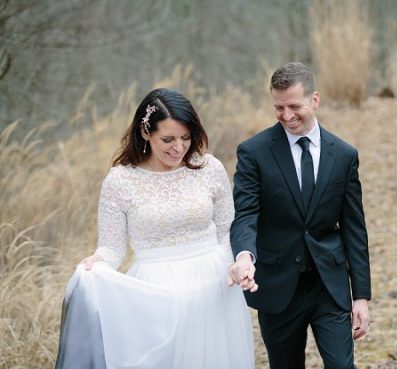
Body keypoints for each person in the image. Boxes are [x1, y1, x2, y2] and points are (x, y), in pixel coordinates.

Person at [54, 88, 254, 369]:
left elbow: (226, 229)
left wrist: (235, 264)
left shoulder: (209, 168)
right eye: (168, 139)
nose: (179, 148)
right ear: (146, 132)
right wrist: (97, 263)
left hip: (214, 287)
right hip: (154, 293)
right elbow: (111, 247)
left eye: (186, 138)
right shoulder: (120, 181)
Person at [227, 62, 371, 369]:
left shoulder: (344, 155)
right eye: (278, 107)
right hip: (278, 286)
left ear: (314, 100)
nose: (287, 115)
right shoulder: (254, 152)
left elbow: (354, 228)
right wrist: (244, 256)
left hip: (327, 285)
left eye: (295, 106)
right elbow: (246, 213)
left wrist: (361, 296)